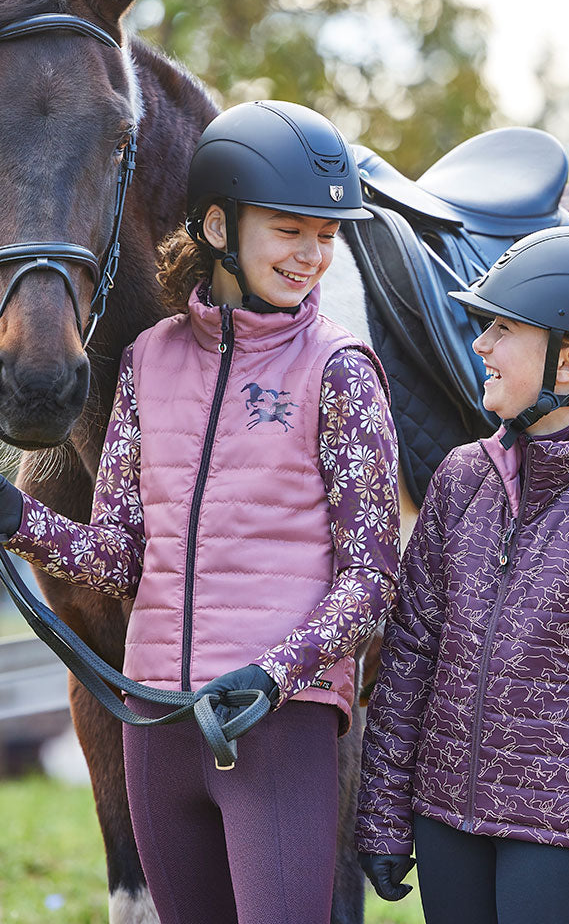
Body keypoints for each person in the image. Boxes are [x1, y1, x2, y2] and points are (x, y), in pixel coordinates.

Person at [0, 100, 401, 924]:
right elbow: (118, 556)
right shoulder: (147, 362)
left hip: (270, 728)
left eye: (326, 236)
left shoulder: (342, 371)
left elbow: (371, 578)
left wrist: (277, 674)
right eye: (290, 229)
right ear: (218, 223)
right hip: (155, 730)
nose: (313, 256)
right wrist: (17, 518)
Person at [355, 226, 569, 924]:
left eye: (502, 329)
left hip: (563, 838)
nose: (480, 344)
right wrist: (386, 814)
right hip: (446, 820)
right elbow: (408, 660)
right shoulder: (460, 479)